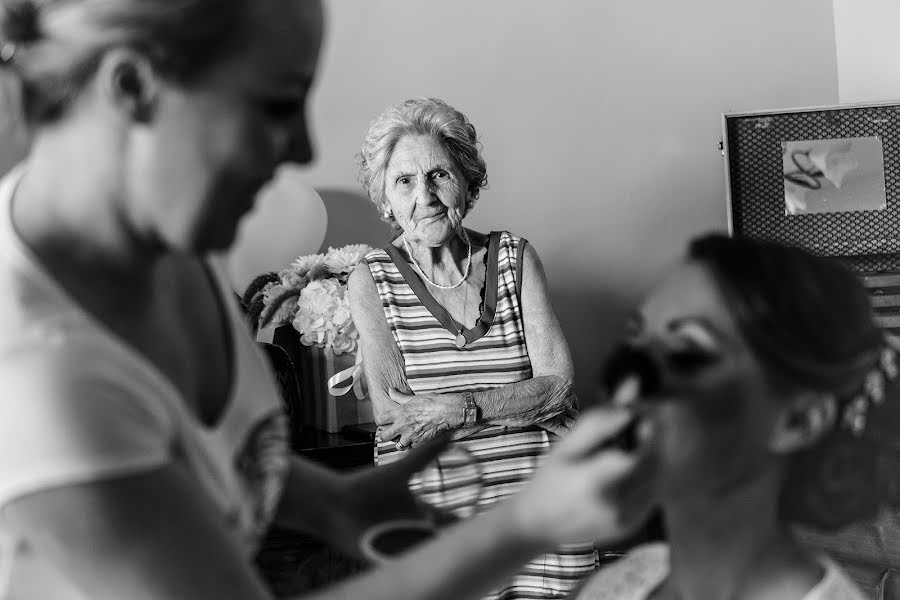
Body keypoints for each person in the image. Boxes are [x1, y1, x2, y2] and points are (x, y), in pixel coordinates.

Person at [0, 1, 658, 598]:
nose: (305, 149)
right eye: (278, 105)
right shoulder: (39, 369)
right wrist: (526, 526)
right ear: (133, 86)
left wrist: (336, 504)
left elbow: (225, 458)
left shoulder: (173, 245)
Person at [348, 97, 597, 599]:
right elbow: (395, 417)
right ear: (386, 199)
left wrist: (457, 410)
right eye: (405, 181)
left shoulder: (515, 259)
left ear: (467, 179)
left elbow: (559, 386)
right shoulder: (371, 280)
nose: (427, 195)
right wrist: (518, 404)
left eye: (439, 174)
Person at [575, 233, 897, 600]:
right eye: (635, 341)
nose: (627, 385)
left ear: (798, 420)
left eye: (686, 350)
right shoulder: (622, 581)